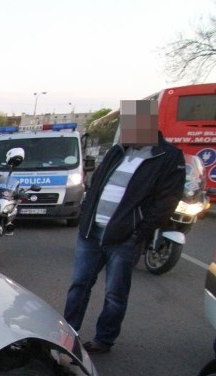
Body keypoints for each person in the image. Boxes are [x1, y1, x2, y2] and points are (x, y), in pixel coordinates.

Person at [63, 99, 185, 354]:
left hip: (124, 238)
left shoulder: (168, 156)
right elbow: (97, 184)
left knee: (115, 294)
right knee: (79, 285)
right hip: (92, 232)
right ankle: (68, 334)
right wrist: (85, 215)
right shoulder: (118, 150)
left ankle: (104, 339)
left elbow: (166, 203)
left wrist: (139, 232)